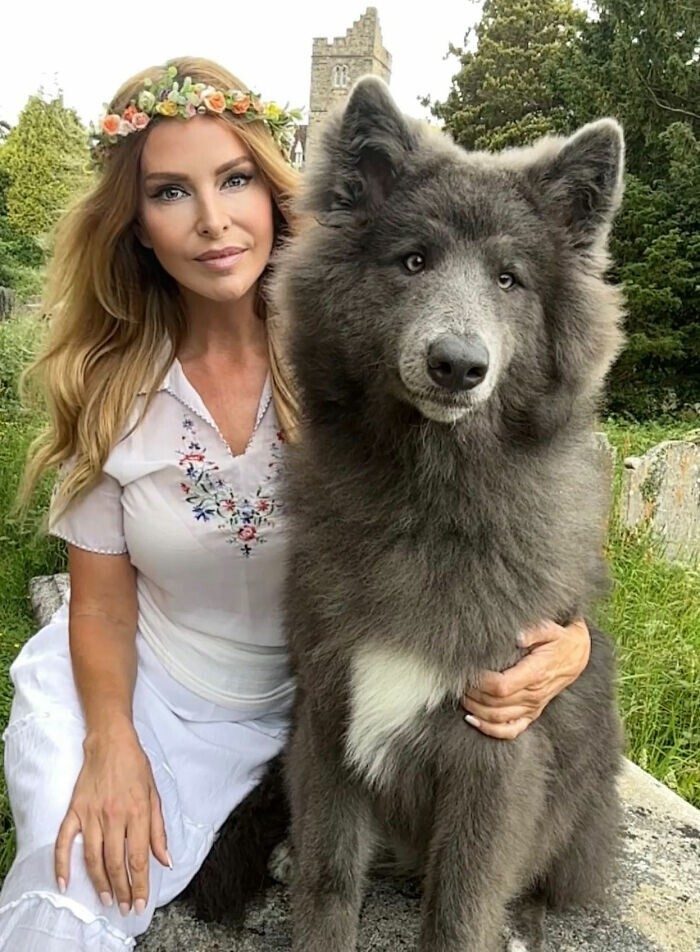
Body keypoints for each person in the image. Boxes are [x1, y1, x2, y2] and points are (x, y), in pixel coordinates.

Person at [0, 57, 592, 951]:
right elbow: (101, 604)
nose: (211, 218)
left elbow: (509, 499)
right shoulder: (110, 386)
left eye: (234, 179)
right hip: (141, 693)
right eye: (169, 191)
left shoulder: (345, 354)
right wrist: (109, 743)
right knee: (70, 889)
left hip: (297, 704)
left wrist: (569, 641)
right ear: (136, 224)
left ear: (275, 192)